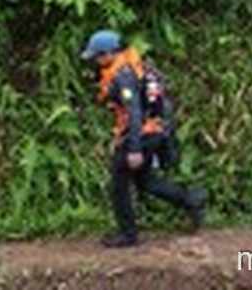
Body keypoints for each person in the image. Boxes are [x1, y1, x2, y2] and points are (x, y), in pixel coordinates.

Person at [81, 30, 207, 248]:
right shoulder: (130, 66)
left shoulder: (123, 76)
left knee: (118, 183)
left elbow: (135, 112)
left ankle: (127, 234)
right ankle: (191, 200)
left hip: (141, 134)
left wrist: (134, 148)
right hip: (153, 130)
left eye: (98, 56)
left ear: (110, 53)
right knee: (145, 181)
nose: (96, 61)